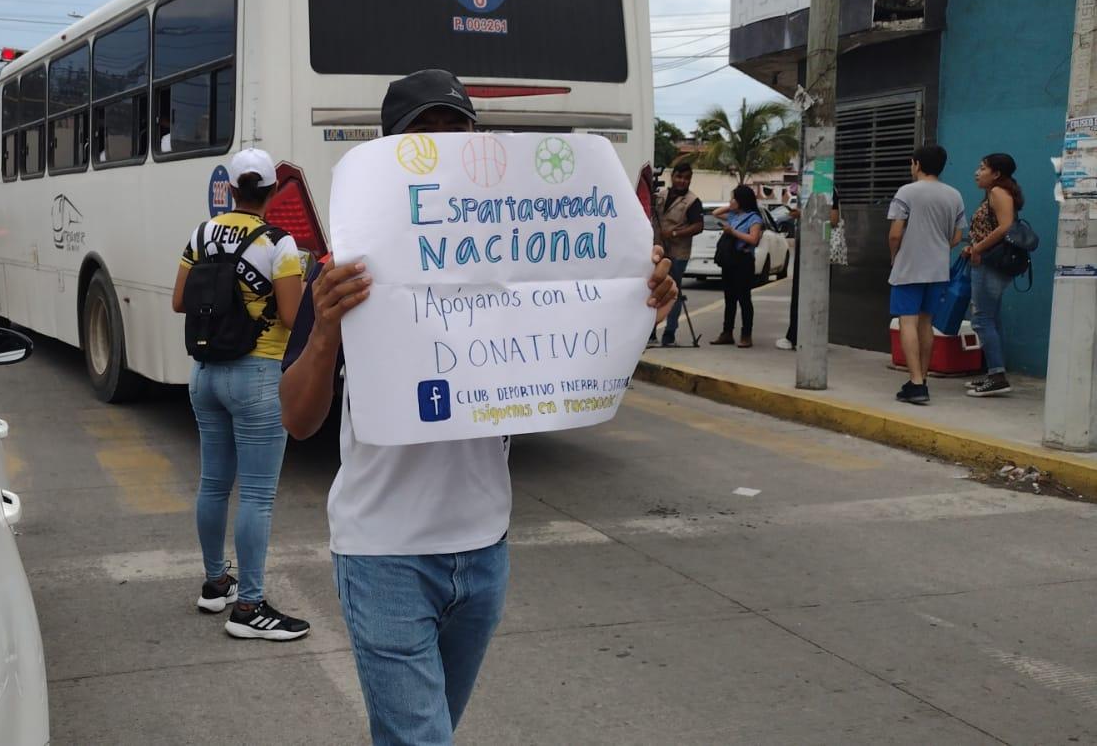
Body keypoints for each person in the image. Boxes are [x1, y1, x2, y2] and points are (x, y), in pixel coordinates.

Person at [279, 69, 679, 746]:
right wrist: (323, 330)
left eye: (456, 130)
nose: (443, 147)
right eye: (422, 134)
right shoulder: (342, 270)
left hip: (483, 551)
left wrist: (640, 299)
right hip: (384, 554)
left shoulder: (512, 257)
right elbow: (297, 418)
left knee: (424, 731)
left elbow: (574, 345)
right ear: (390, 151)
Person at [171, 147, 310, 640]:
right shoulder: (279, 242)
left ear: (228, 189)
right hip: (256, 376)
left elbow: (179, 300)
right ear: (272, 191)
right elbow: (293, 318)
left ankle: (215, 584)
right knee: (256, 494)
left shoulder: (201, 234)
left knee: (213, 482)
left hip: (205, 374)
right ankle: (250, 608)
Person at [887, 144, 966, 405]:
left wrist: (894, 257)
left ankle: (916, 383)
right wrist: (939, 247)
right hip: (938, 269)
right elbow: (957, 235)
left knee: (906, 322)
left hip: (909, 267)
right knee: (926, 323)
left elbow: (895, 232)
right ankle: (922, 378)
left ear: (917, 164)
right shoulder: (954, 195)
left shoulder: (907, 192)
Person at [960, 153, 1023, 397]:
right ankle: (993, 372)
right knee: (992, 319)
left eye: (983, 168)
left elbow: (1006, 226)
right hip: (986, 260)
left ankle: (997, 376)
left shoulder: (998, 192)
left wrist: (978, 247)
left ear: (996, 174)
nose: (977, 172)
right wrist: (973, 246)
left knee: (982, 319)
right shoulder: (996, 192)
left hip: (989, 263)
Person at [777, 188, 840, 351]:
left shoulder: (825, 190)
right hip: (811, 247)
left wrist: (802, 215)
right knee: (806, 294)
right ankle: (800, 336)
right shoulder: (822, 190)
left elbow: (833, 219)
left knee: (809, 295)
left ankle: (802, 337)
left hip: (815, 249)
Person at [654, 162, 704, 347]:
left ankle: (669, 333)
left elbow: (698, 226)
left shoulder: (692, 201)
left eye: (686, 178)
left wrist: (674, 233)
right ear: (672, 177)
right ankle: (650, 332)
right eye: (679, 177)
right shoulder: (660, 195)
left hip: (677, 253)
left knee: (673, 293)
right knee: (653, 291)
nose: (682, 181)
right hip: (657, 250)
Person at [711, 185, 765, 348]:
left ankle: (746, 334)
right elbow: (715, 213)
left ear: (742, 200)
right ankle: (727, 332)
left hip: (743, 260)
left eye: (734, 198)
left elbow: (754, 239)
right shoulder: (733, 215)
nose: (731, 201)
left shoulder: (754, 218)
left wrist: (733, 232)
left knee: (744, 298)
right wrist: (732, 206)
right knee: (729, 298)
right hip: (729, 261)